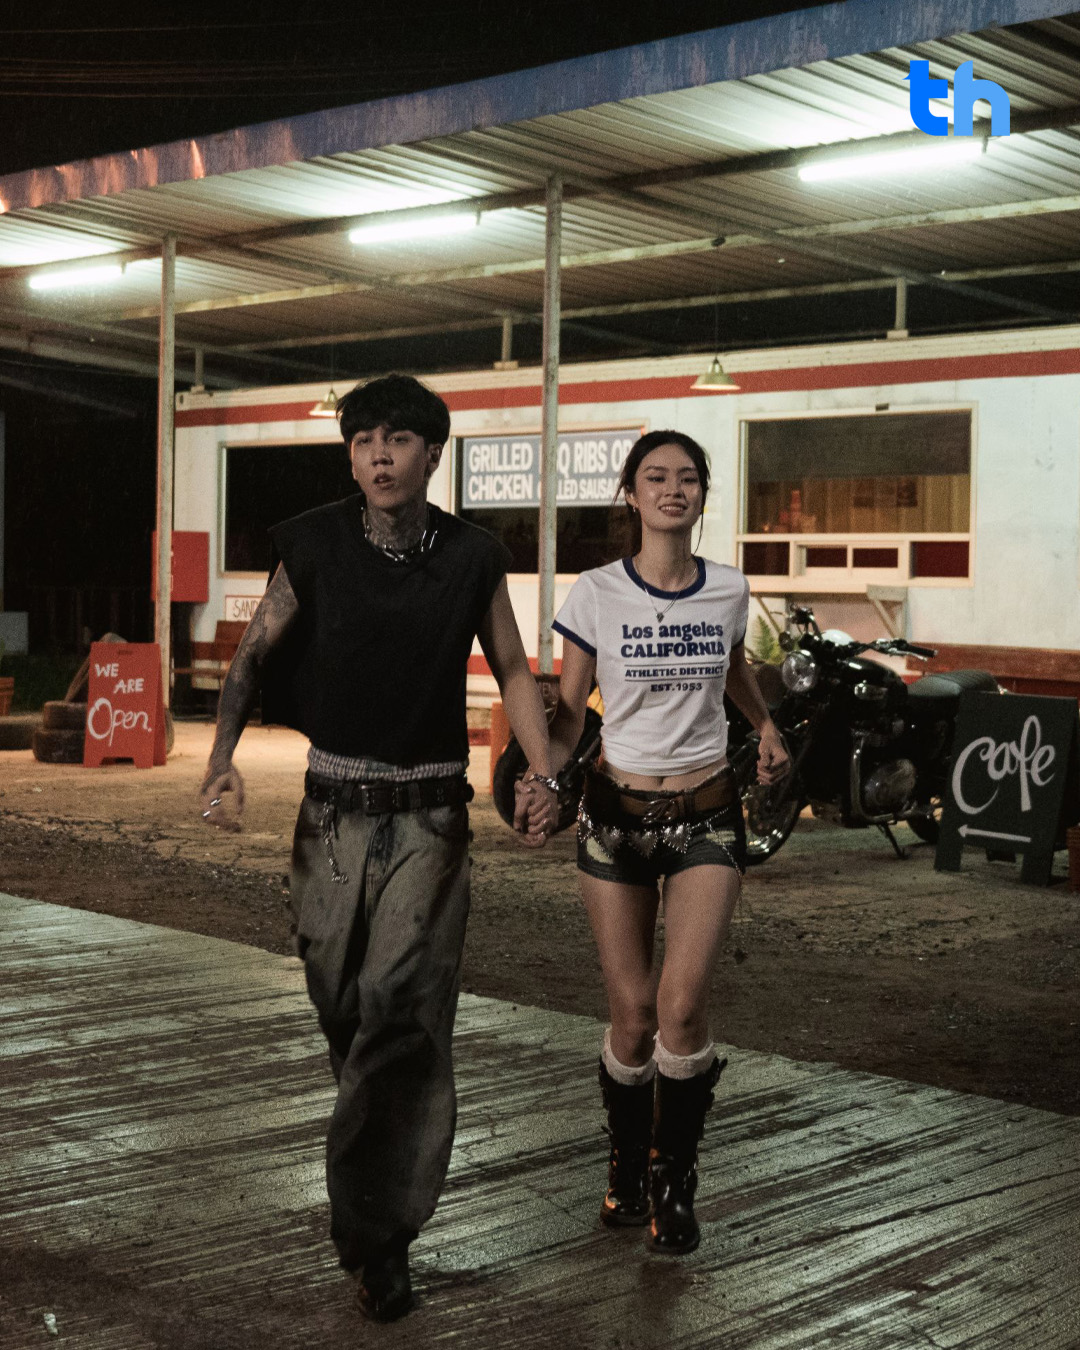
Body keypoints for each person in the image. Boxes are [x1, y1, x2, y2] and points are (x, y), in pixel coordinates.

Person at [198, 374, 558, 1322]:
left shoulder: (474, 556)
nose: (379, 456)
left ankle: (380, 1240)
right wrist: (220, 759)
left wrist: (545, 770)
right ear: (350, 457)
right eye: (363, 441)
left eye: (397, 440)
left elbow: (513, 665)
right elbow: (254, 653)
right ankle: (377, 1190)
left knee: (399, 1009)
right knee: (346, 1010)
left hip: (431, 820)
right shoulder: (313, 543)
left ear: (433, 454)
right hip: (329, 821)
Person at [518, 429, 788, 1255]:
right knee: (633, 1017)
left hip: (707, 814)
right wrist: (541, 779)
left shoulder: (729, 588)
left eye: (689, 478)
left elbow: (732, 666)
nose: (674, 489)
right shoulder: (596, 592)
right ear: (631, 495)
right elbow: (571, 714)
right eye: (656, 477)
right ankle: (627, 1162)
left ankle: (676, 1180)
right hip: (615, 819)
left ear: (703, 495)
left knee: (682, 1006)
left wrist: (764, 724)